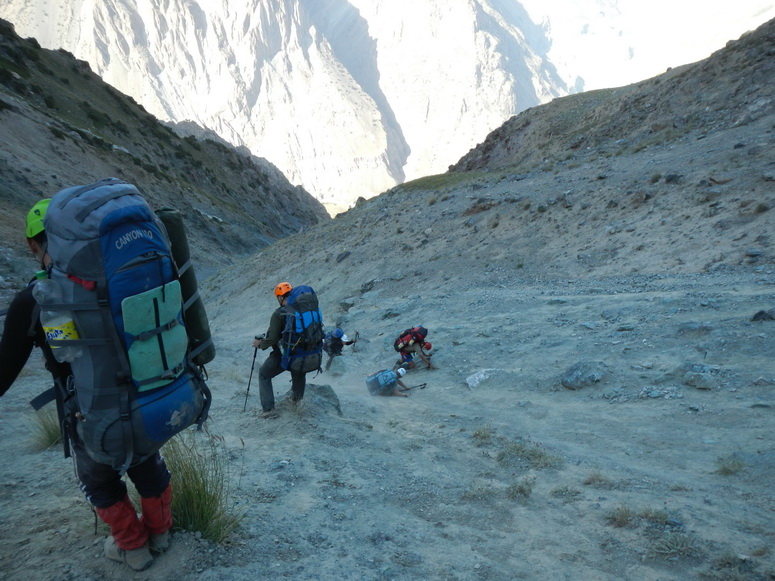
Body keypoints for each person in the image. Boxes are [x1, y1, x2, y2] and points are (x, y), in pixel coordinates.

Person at [0, 199, 172, 572]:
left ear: (32, 244)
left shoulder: (33, 299)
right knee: (147, 463)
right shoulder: (119, 280)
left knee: (99, 482)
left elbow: (3, 373)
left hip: (86, 412)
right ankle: (161, 534)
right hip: (144, 397)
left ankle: (134, 549)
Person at [252, 282, 306, 417]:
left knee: (264, 374)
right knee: (298, 371)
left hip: (285, 354)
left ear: (280, 297)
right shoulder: (303, 309)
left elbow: (272, 338)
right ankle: (297, 402)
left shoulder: (279, 313)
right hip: (303, 353)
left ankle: (269, 410)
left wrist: (260, 344)